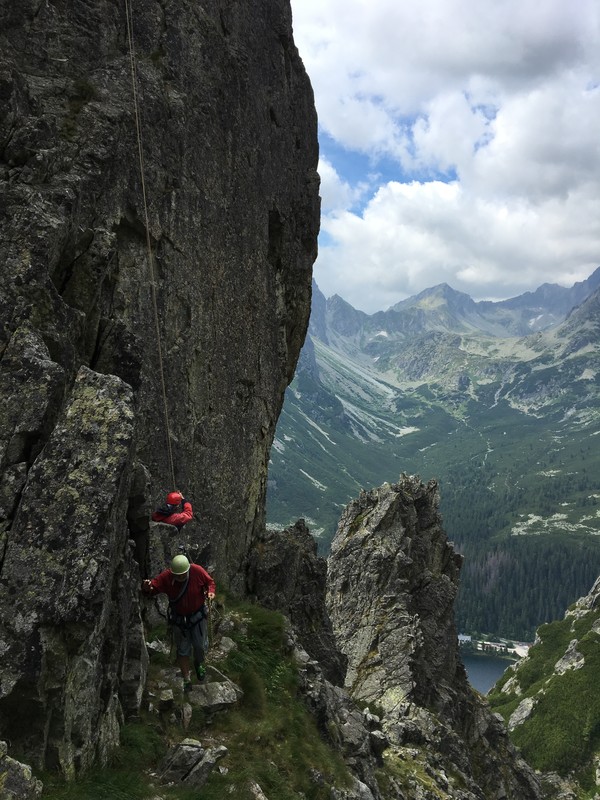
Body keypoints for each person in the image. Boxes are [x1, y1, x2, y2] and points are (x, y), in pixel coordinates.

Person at [142, 554, 215, 691]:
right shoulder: (167, 577)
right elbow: (153, 589)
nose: (181, 578)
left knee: (199, 646)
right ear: (173, 573)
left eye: (183, 575)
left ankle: (199, 664)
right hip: (179, 620)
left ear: (188, 570)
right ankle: (187, 679)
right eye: (178, 576)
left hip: (197, 617)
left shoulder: (197, 571)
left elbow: (209, 582)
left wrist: (210, 592)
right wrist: (147, 587)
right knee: (183, 650)